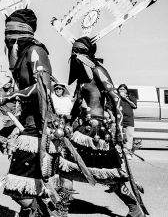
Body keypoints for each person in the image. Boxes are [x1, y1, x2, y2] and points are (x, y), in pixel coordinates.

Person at [58, 37, 145, 217]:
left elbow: (116, 98)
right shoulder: (81, 79)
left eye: (79, 51)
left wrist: (120, 130)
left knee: (111, 176)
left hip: (98, 132)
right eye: (73, 50)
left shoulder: (98, 70)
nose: (74, 54)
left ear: (87, 53)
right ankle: (62, 210)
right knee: (66, 168)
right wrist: (68, 123)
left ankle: (134, 209)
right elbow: (77, 105)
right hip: (81, 130)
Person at [0, 9, 56, 216]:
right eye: (5, 35)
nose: (7, 39)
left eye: (11, 35)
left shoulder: (36, 51)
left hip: (37, 130)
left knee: (18, 188)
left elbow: (43, 87)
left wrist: (11, 96)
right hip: (27, 125)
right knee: (27, 186)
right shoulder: (24, 55)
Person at [108, 84, 137, 158]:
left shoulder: (131, 97)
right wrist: (112, 116)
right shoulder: (115, 98)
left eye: (124, 89)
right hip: (118, 120)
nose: (122, 90)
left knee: (129, 136)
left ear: (126, 90)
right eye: (120, 89)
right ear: (118, 90)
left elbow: (134, 106)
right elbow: (108, 107)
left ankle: (127, 152)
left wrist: (126, 99)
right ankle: (117, 153)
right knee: (117, 135)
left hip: (129, 120)